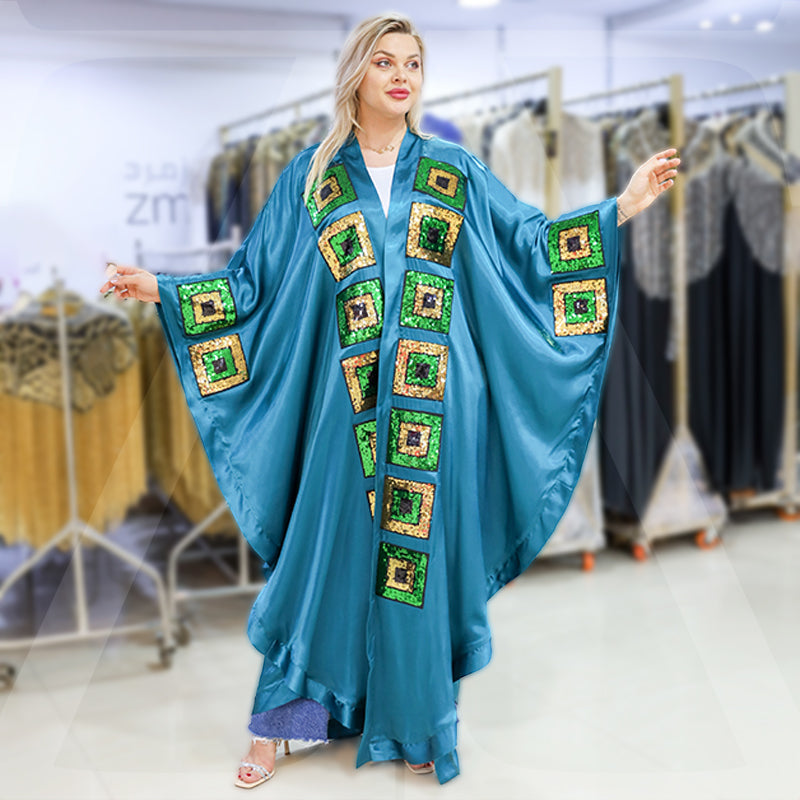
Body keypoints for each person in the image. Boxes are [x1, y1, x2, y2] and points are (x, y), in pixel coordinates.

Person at [100, 13, 679, 787]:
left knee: (416, 563)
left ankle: (414, 722)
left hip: (436, 402)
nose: (401, 75)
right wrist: (163, 290)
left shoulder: (452, 170)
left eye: (412, 62)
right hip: (346, 406)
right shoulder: (312, 178)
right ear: (356, 75)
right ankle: (284, 727)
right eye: (384, 61)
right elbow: (251, 285)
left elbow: (531, 247)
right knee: (321, 560)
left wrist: (624, 205)